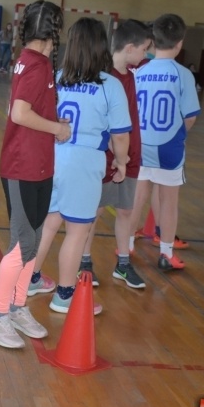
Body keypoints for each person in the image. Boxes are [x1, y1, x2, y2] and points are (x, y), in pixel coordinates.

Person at [0, 0, 69, 349]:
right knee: (21, 244)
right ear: (51, 32)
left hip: (39, 164)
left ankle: (18, 307)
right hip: (22, 166)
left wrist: (52, 128)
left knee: (31, 240)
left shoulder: (34, 62)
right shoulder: (35, 64)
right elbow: (18, 113)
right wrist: (57, 129)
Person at [28, 18, 131, 314]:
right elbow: (120, 136)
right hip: (84, 163)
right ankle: (64, 294)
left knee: (49, 223)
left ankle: (32, 278)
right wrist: (121, 163)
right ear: (102, 47)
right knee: (77, 231)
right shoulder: (110, 85)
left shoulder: (57, 77)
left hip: (54, 157)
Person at [71, 19, 152, 291]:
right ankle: (84, 261)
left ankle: (123, 263)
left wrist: (128, 156)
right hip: (107, 157)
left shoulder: (133, 74)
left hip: (130, 155)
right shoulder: (103, 77)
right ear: (129, 48)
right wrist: (116, 154)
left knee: (126, 210)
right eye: (144, 49)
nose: (146, 55)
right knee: (92, 212)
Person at [130, 14, 200, 271]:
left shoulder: (139, 72)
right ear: (180, 43)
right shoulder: (183, 74)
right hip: (169, 145)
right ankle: (166, 253)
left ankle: (125, 246)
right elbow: (190, 116)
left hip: (140, 144)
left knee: (138, 195)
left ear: (153, 41)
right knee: (169, 200)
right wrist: (178, 135)